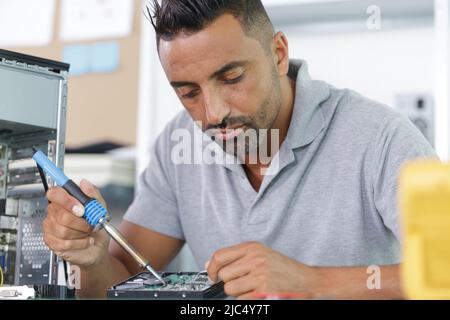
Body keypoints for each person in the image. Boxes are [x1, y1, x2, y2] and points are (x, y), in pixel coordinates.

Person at [42, 0, 436, 299]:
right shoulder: (179, 145)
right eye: (189, 93)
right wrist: (92, 259)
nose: (213, 114)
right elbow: (122, 282)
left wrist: (313, 282)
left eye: (231, 78)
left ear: (278, 54)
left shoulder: (379, 136)